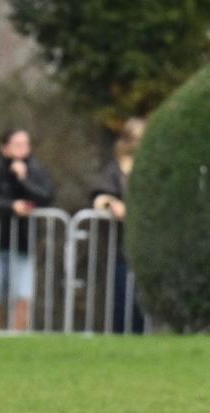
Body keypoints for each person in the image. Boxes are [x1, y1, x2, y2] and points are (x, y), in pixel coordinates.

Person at [0, 129, 54, 331]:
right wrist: (12, 207)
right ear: (5, 147)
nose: (22, 149)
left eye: (25, 144)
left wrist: (24, 179)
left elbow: (46, 196)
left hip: (23, 242)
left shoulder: (34, 169)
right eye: (17, 144)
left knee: (23, 295)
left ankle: (18, 338)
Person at [91, 117, 146, 333]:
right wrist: (112, 203)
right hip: (119, 247)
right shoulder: (113, 170)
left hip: (144, 245)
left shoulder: (149, 168)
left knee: (140, 301)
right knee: (123, 297)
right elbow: (98, 196)